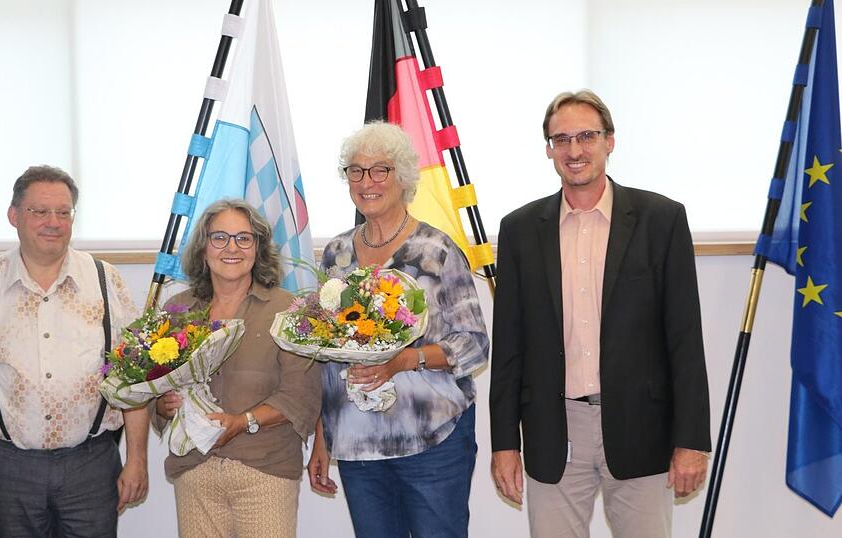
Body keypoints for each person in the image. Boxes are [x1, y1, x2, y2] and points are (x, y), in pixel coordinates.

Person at [489, 90, 712, 537]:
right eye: (562, 139)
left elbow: (684, 339)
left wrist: (691, 440)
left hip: (641, 429)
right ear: (549, 149)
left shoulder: (661, 220)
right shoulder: (519, 230)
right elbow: (509, 346)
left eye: (587, 136)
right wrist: (504, 445)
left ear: (610, 141)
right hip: (554, 431)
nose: (575, 151)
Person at [0, 165, 149, 537]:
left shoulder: (105, 281)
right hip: (10, 467)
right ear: (14, 216)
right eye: (40, 211)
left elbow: (134, 380)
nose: (53, 222)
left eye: (63, 212)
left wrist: (137, 459)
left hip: (92, 463)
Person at [306, 121, 489, 537]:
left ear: (403, 178)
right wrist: (321, 438)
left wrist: (407, 360)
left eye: (379, 170)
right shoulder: (335, 255)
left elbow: (475, 344)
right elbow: (324, 356)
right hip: (357, 443)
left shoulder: (436, 250)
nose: (366, 181)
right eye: (355, 170)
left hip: (432, 439)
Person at [153, 198, 321, 538]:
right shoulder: (176, 309)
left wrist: (241, 422)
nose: (232, 248)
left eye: (244, 238)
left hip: (265, 470)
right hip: (194, 470)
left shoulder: (290, 311)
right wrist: (162, 405)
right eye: (220, 238)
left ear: (258, 249)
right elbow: (155, 388)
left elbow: (301, 395)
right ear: (203, 248)